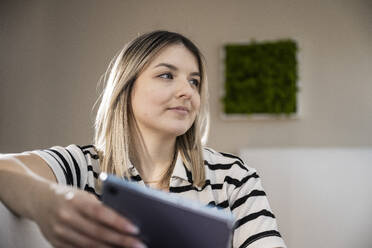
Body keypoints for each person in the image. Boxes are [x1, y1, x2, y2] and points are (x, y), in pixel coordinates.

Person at [0, 30, 286, 248]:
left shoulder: (234, 178)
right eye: (166, 75)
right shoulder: (81, 167)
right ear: (127, 87)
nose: (188, 91)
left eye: (194, 81)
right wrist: (46, 201)